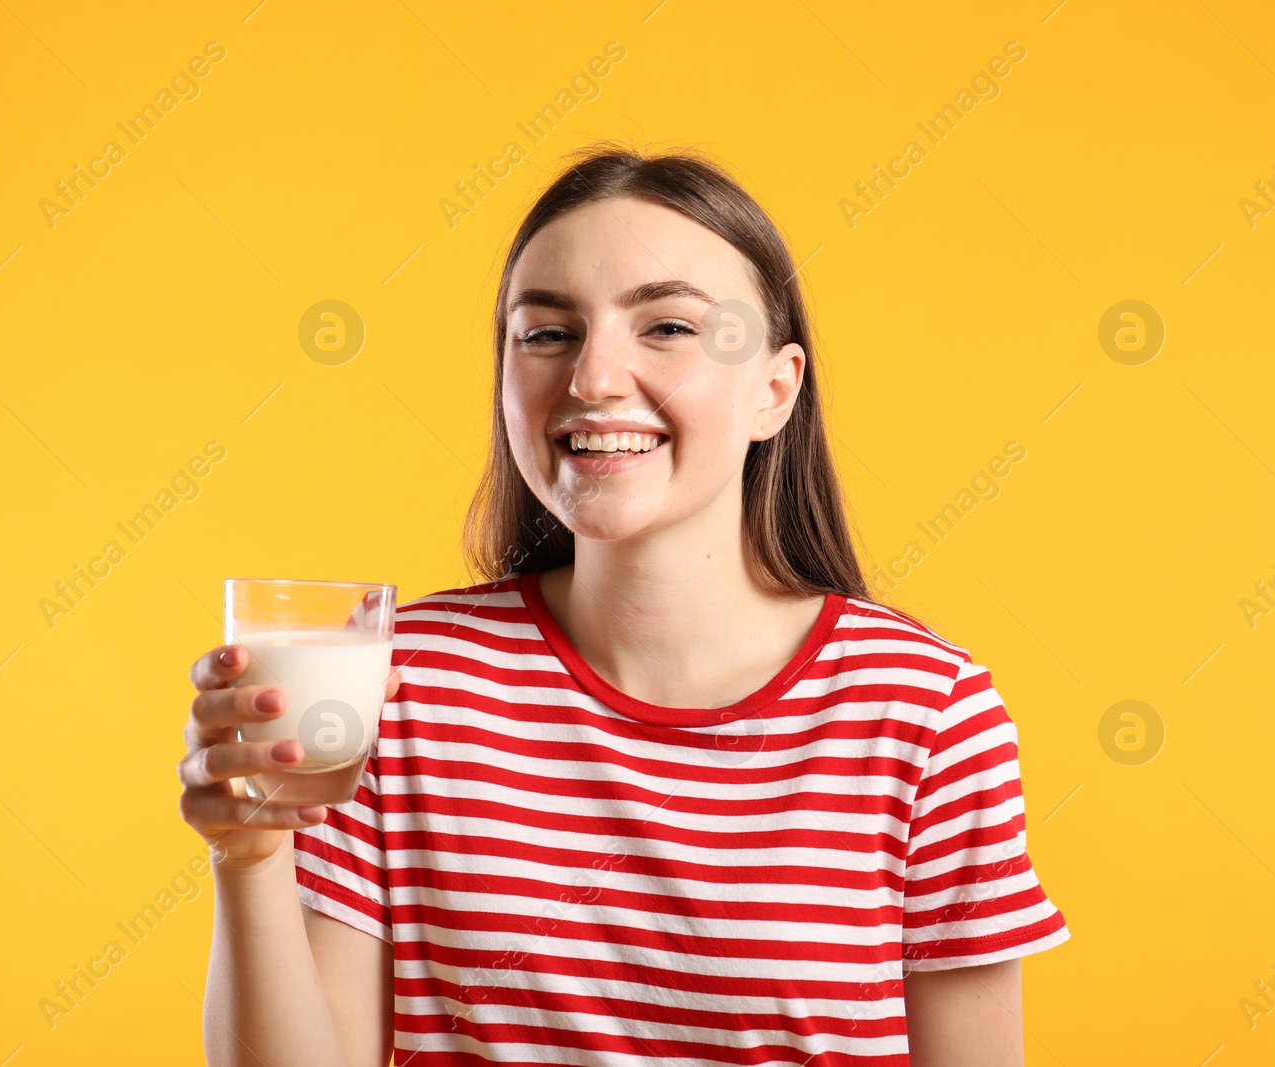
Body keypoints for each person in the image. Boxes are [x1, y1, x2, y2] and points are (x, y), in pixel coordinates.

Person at [179, 142, 1069, 1067]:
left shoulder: (924, 710)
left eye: (669, 328)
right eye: (547, 332)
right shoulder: (400, 682)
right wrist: (248, 860)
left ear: (776, 389)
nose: (594, 377)